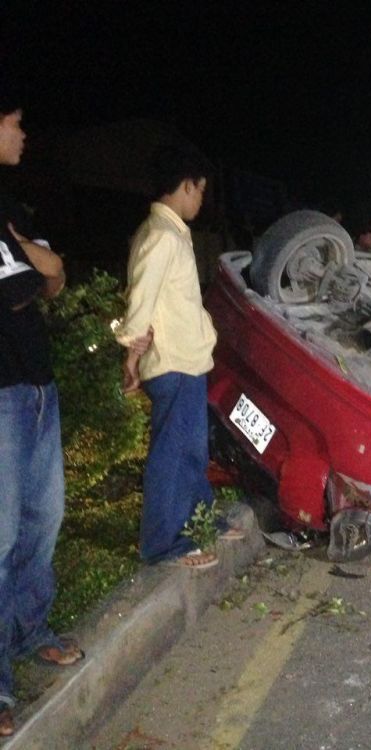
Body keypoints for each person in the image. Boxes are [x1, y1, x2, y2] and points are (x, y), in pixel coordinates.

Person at [0, 92, 84, 739]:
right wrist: (33, 262)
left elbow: (54, 278)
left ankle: (29, 630)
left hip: (37, 389)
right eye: (14, 123)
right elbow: (25, 288)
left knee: (43, 517)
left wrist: (27, 250)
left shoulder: (13, 207)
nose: (23, 134)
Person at [116, 144, 241, 571]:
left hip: (186, 359)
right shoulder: (161, 236)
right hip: (172, 362)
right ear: (186, 185)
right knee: (172, 454)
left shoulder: (170, 233)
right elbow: (142, 296)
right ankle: (161, 544)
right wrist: (131, 350)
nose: (201, 199)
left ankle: (199, 520)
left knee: (191, 450)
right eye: (200, 190)